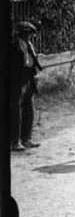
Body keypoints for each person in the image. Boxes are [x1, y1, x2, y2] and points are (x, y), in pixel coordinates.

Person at [9, 21, 43, 151]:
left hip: (28, 78)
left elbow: (31, 61)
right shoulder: (14, 45)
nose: (30, 36)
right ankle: (14, 141)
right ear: (22, 33)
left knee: (29, 107)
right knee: (16, 110)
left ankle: (26, 139)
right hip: (17, 79)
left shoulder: (28, 45)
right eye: (28, 34)